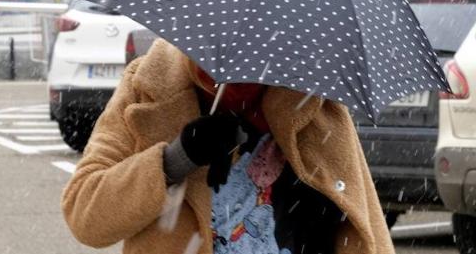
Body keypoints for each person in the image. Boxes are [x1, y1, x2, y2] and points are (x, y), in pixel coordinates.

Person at [62, 39, 395, 254]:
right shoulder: (149, 86)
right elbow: (86, 215)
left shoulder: (315, 102)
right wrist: (174, 160)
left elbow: (367, 228)